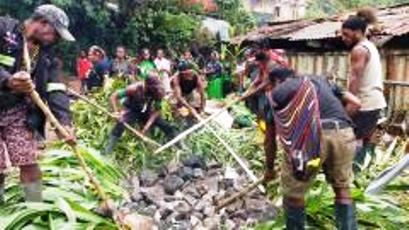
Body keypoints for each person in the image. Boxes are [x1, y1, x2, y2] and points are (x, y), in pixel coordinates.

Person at [264, 67, 359, 230]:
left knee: (294, 194)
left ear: (276, 81)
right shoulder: (321, 80)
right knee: (342, 188)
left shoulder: (277, 93)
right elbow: (356, 103)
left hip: (309, 137)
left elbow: (269, 139)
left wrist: (270, 168)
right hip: (343, 132)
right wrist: (334, 128)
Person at [0, 4, 75, 203]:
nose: (56, 40)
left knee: (29, 161)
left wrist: (63, 122)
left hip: (17, 110)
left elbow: (56, 88)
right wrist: (7, 80)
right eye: (56, 34)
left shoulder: (46, 54)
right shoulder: (4, 29)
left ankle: (35, 207)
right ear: (43, 23)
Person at [341, 8, 387, 172]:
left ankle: (351, 176)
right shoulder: (370, 46)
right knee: (366, 142)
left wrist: (349, 109)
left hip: (365, 103)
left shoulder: (359, 50)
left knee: (351, 141)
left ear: (358, 32)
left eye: (346, 34)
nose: (343, 38)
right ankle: (361, 175)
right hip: (375, 102)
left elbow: (354, 81)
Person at [104, 74, 177, 154]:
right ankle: (108, 150)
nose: (154, 90)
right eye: (152, 88)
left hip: (146, 110)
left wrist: (146, 127)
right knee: (121, 123)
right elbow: (114, 96)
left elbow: (157, 111)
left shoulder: (157, 91)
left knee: (165, 125)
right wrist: (116, 112)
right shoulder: (134, 89)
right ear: (146, 84)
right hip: (131, 109)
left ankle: (178, 144)